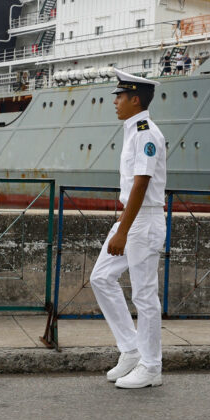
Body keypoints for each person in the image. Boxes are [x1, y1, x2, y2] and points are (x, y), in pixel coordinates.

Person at [89, 69, 167, 389]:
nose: (115, 101)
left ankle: (151, 366)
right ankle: (132, 350)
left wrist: (123, 230)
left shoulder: (146, 133)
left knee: (145, 295)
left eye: (119, 96)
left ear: (135, 99)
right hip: (132, 218)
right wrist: (123, 225)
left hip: (143, 221)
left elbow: (141, 184)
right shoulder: (133, 130)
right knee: (101, 277)